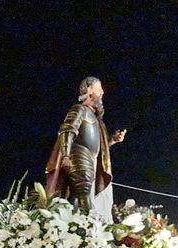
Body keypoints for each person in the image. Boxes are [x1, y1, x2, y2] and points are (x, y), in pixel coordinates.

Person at [44, 76, 127, 220]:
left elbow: (99, 145)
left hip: (90, 158)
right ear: (89, 90)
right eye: (99, 89)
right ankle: (91, 229)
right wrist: (65, 155)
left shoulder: (95, 118)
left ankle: (72, 227)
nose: (102, 93)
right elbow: (67, 131)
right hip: (78, 155)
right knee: (84, 192)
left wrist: (112, 140)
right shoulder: (79, 109)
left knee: (75, 197)